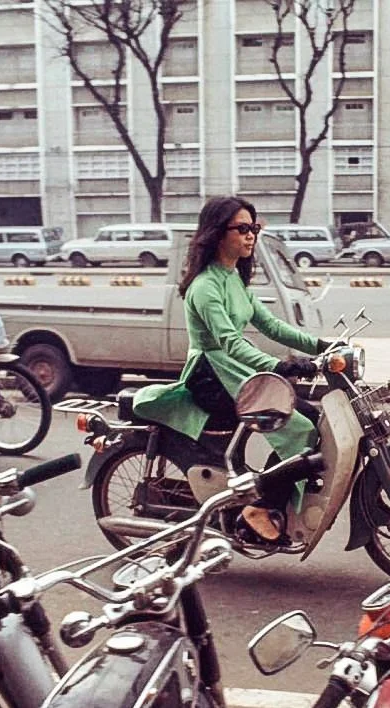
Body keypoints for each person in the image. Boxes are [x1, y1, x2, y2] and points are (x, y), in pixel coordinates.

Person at [132, 196, 328, 542]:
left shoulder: (233, 278)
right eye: (242, 228)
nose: (251, 235)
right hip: (210, 374)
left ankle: (267, 498)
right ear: (217, 233)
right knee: (297, 425)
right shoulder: (205, 287)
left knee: (312, 419)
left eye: (254, 228)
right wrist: (281, 366)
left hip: (230, 370)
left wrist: (322, 347)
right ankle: (261, 506)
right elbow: (228, 342)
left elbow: (272, 325)